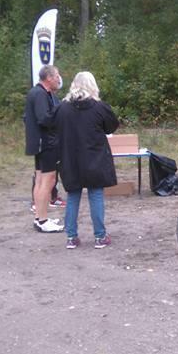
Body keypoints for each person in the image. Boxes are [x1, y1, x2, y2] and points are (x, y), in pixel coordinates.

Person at [55, 72, 119, 249]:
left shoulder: (62, 108)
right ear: (93, 85)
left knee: (73, 196)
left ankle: (71, 237)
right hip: (94, 157)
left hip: (70, 158)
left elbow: (54, 128)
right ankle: (100, 236)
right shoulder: (99, 107)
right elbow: (112, 126)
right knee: (96, 194)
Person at [24, 65, 64, 233]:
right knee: (47, 180)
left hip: (41, 143)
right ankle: (42, 220)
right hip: (46, 143)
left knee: (41, 180)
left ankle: (40, 217)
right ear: (48, 78)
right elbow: (44, 119)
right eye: (57, 76)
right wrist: (60, 112)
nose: (59, 79)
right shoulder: (39, 94)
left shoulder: (43, 93)